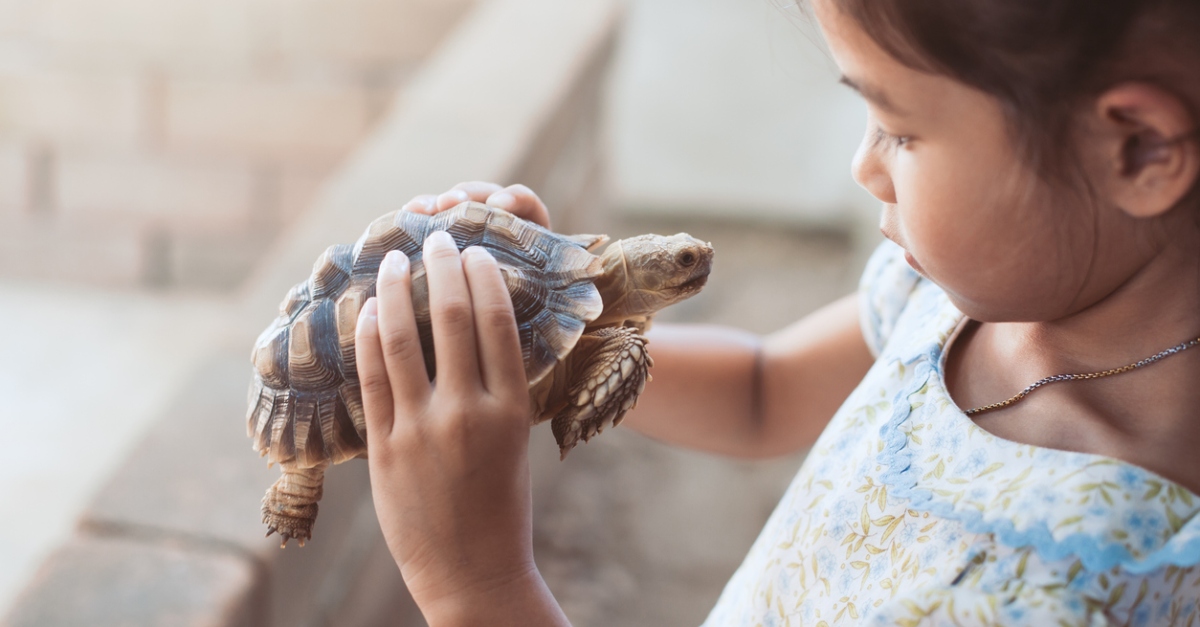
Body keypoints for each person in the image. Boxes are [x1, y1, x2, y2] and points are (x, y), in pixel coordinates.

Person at [351, 0, 1200, 623]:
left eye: (900, 130)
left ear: (1140, 149)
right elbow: (764, 389)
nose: (863, 165)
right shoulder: (948, 298)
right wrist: (556, 327)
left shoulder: (1079, 584)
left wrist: (478, 584)